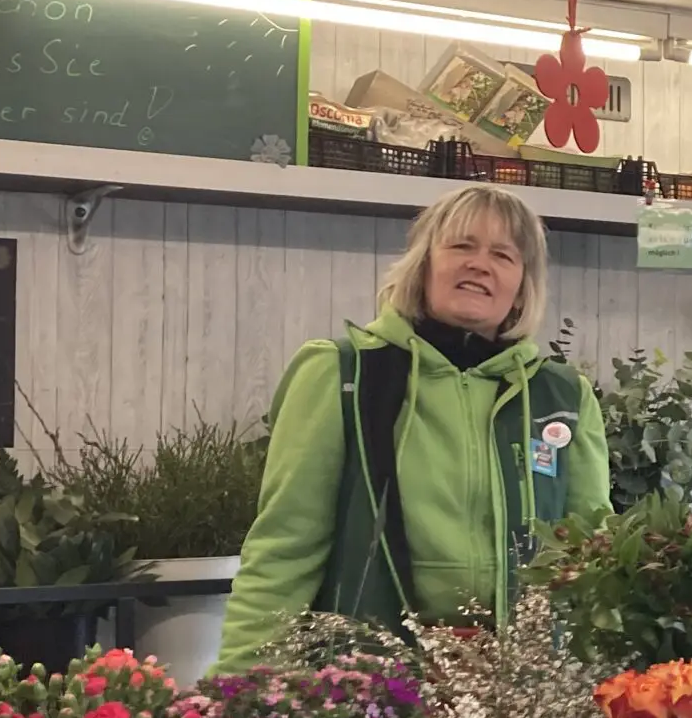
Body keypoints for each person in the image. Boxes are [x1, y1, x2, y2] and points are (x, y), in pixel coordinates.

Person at [216, 184, 611, 667]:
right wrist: (238, 688)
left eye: (503, 255)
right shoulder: (341, 374)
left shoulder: (563, 396)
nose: (479, 264)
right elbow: (284, 548)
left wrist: (602, 694)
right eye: (461, 246)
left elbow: (591, 562)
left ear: (520, 286)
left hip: (522, 686)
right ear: (423, 264)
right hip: (369, 680)